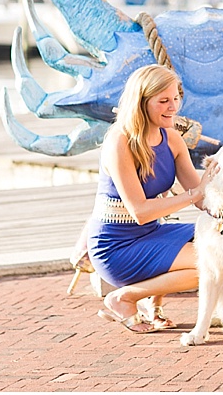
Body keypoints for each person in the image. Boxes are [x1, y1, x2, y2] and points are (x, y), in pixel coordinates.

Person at [87, 64, 212, 334]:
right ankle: (124, 297)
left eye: (176, 98)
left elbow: (203, 199)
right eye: (164, 101)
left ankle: (152, 306)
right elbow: (140, 211)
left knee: (219, 243)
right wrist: (195, 195)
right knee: (208, 263)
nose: (173, 107)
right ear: (141, 103)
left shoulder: (172, 139)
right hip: (116, 247)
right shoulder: (119, 142)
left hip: (151, 234)